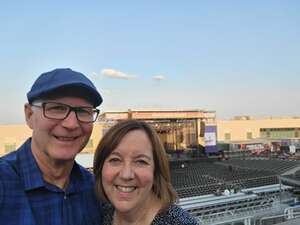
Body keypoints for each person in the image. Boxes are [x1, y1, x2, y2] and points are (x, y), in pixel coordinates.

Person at [0, 68, 103, 225]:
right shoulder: (4, 183)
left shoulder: (94, 189)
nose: (71, 124)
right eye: (57, 108)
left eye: (83, 111)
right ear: (29, 115)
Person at [93, 120, 199, 225]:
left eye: (140, 161)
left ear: (156, 171)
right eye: (115, 160)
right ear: (100, 166)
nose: (126, 175)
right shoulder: (99, 213)